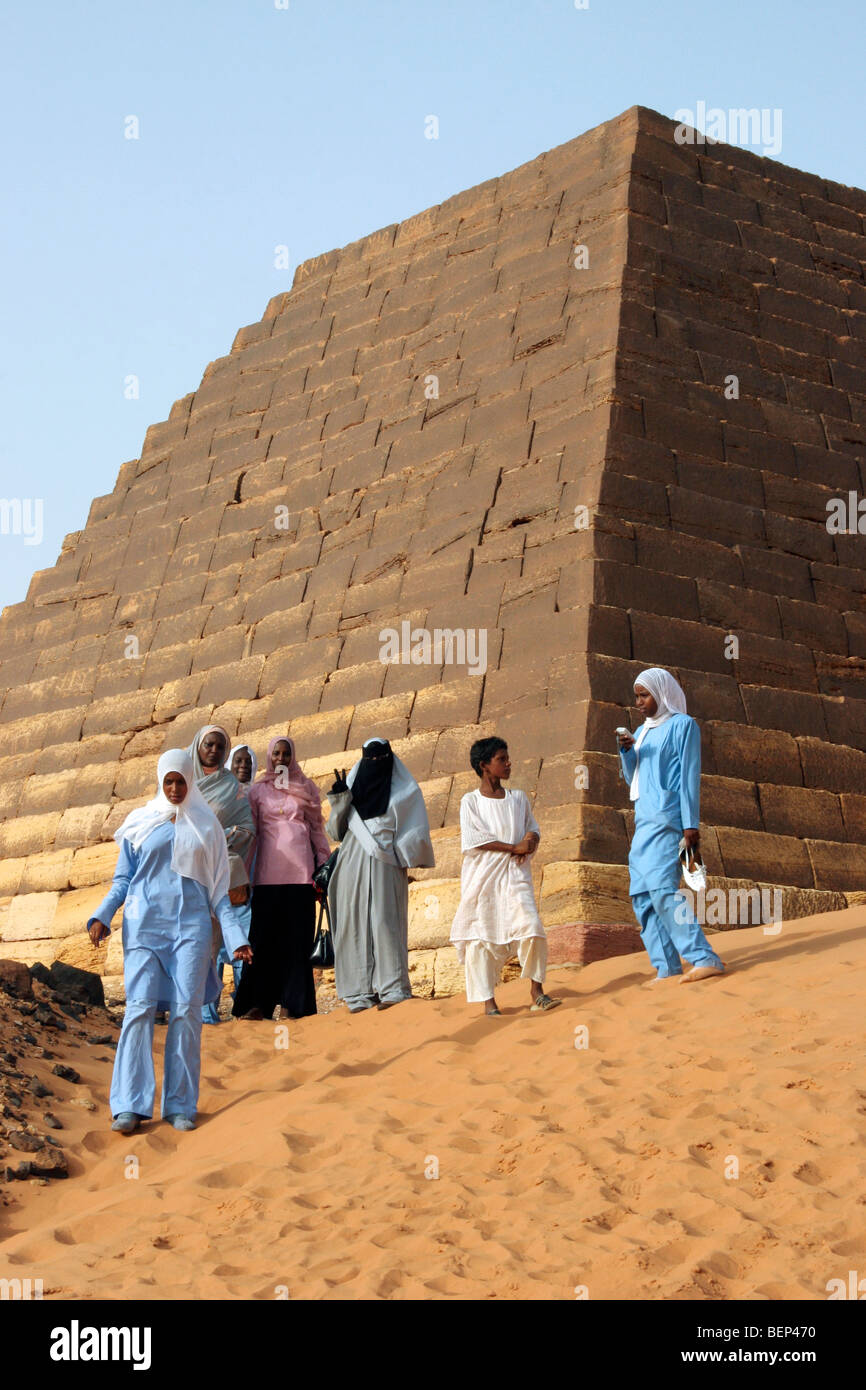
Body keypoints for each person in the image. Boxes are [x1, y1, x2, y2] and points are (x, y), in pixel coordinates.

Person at [86, 750, 252, 1134]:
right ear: (161, 782)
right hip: (144, 927)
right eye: (169, 782)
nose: (175, 788)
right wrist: (102, 913)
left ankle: (180, 1106)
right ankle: (128, 1104)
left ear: (190, 782)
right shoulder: (139, 823)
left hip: (191, 930)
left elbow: (218, 894)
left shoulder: (206, 827)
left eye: (181, 781)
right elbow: (123, 880)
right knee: (139, 1009)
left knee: (185, 1013)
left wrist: (236, 937)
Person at [617, 667, 725, 984]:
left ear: (662, 693)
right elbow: (633, 779)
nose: (639, 702)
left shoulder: (683, 725)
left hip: (668, 818)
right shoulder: (643, 731)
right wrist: (626, 752)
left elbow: (690, 776)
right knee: (641, 895)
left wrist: (690, 825)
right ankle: (666, 966)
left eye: (644, 695)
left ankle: (704, 957)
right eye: (637, 696)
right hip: (644, 819)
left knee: (664, 890)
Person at [450, 737, 560, 1016]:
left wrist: (530, 840)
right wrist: (514, 847)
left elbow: (532, 828)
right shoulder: (470, 802)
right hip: (483, 878)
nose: (509, 763)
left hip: (514, 875)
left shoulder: (518, 798)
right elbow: (475, 840)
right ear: (484, 766)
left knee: (531, 926)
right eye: (502, 759)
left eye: (507, 757)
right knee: (480, 937)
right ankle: (489, 1002)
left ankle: (537, 992)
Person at [326, 738, 434, 1013]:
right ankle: (359, 993)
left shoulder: (404, 791)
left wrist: (398, 852)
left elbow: (414, 830)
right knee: (354, 925)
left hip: (386, 862)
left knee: (386, 922)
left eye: (380, 757)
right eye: (370, 758)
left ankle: (393, 988)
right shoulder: (351, 787)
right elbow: (336, 832)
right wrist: (339, 800)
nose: (375, 763)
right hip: (352, 863)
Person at [232, 736, 331, 1021]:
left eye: (286, 754)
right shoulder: (257, 791)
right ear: (269, 757)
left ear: (293, 757)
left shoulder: (307, 787)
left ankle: (293, 1005)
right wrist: (242, 875)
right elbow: (252, 836)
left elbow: (315, 830)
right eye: (276, 753)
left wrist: (323, 866)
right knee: (263, 942)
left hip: (301, 877)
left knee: (296, 943)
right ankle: (257, 1005)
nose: (281, 758)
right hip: (266, 876)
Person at [187, 725, 256, 1025]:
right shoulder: (181, 779)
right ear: (198, 748)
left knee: (213, 945)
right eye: (209, 745)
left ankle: (206, 1009)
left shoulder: (234, 788)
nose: (214, 750)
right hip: (183, 872)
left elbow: (248, 827)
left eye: (219, 747)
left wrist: (218, 837)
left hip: (217, 873)